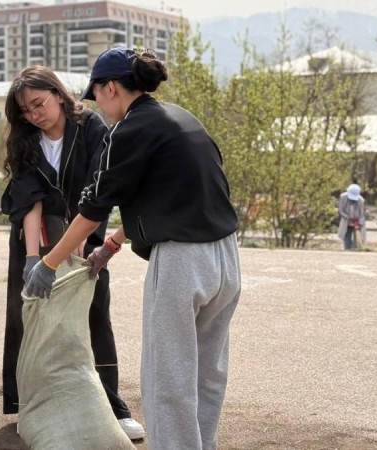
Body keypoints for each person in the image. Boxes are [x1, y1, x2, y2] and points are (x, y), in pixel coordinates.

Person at [23, 48, 241, 450]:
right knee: (207, 373)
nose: (97, 106)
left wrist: (49, 263)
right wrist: (113, 244)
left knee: (168, 376)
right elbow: (169, 195)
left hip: (181, 259)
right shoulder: (181, 119)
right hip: (226, 258)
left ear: (111, 88)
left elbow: (91, 210)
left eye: (97, 95)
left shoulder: (129, 130)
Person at [0, 66, 145, 440]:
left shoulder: (91, 128)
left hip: (86, 234)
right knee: (27, 316)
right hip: (38, 236)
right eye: (26, 110)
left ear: (58, 94)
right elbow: (28, 202)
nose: (34, 114)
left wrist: (80, 244)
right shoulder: (25, 142)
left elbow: (98, 191)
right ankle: (31, 401)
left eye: (38, 103)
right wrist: (33, 259)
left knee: (93, 314)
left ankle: (112, 405)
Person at [338, 183, 367, 250]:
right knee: (346, 237)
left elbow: (361, 214)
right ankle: (347, 249)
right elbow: (341, 210)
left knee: (356, 240)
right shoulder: (343, 197)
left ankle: (355, 249)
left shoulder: (361, 201)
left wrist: (358, 224)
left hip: (357, 222)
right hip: (346, 221)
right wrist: (348, 218)